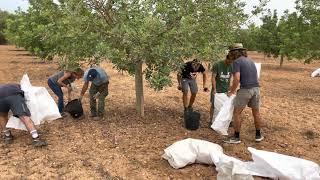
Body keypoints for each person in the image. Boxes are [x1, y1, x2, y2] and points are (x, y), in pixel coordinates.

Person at [224, 43, 263, 144]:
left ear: (234, 53)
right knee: (256, 113)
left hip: (246, 89)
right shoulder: (251, 61)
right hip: (256, 89)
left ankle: (236, 137)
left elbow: (237, 78)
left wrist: (231, 91)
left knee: (236, 113)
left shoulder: (236, 62)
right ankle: (258, 135)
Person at [210, 54, 233, 122]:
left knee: (226, 105)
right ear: (226, 58)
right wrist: (214, 89)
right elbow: (213, 77)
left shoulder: (232, 65)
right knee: (213, 105)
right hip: (217, 89)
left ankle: (224, 120)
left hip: (226, 89)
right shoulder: (217, 64)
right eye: (229, 61)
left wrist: (230, 89)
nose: (230, 63)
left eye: (232, 62)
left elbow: (233, 78)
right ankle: (211, 121)